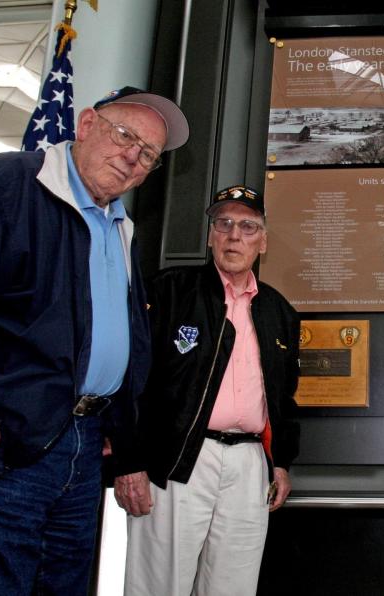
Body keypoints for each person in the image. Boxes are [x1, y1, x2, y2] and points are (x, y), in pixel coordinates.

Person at [0, 86, 188, 595]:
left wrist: (116, 425)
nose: (133, 157)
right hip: (3, 441)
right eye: (126, 135)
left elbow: (113, 337)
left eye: (149, 154)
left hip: (82, 446)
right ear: (86, 124)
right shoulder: (10, 183)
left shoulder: (119, 225)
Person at [116, 185, 300, 596]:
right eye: (225, 224)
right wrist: (129, 461)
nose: (235, 235)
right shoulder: (167, 292)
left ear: (263, 241)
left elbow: (283, 396)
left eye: (248, 226)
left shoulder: (279, 312)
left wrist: (281, 462)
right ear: (210, 235)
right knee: (159, 585)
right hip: (178, 458)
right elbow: (130, 380)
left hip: (249, 465)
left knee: (233, 585)